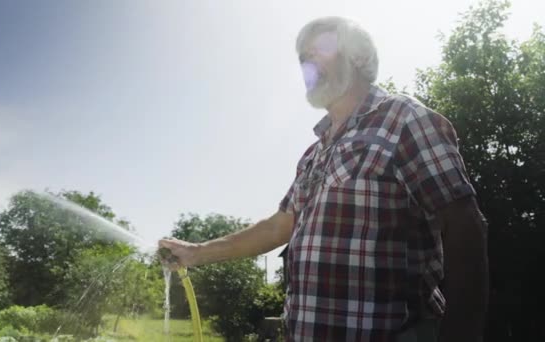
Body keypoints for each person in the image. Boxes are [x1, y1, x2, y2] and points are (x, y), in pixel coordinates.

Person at [159, 16, 489, 342]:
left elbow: (465, 225)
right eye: (303, 58)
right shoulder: (312, 155)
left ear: (358, 57)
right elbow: (277, 227)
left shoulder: (405, 118)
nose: (308, 64)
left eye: (321, 49)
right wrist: (196, 252)